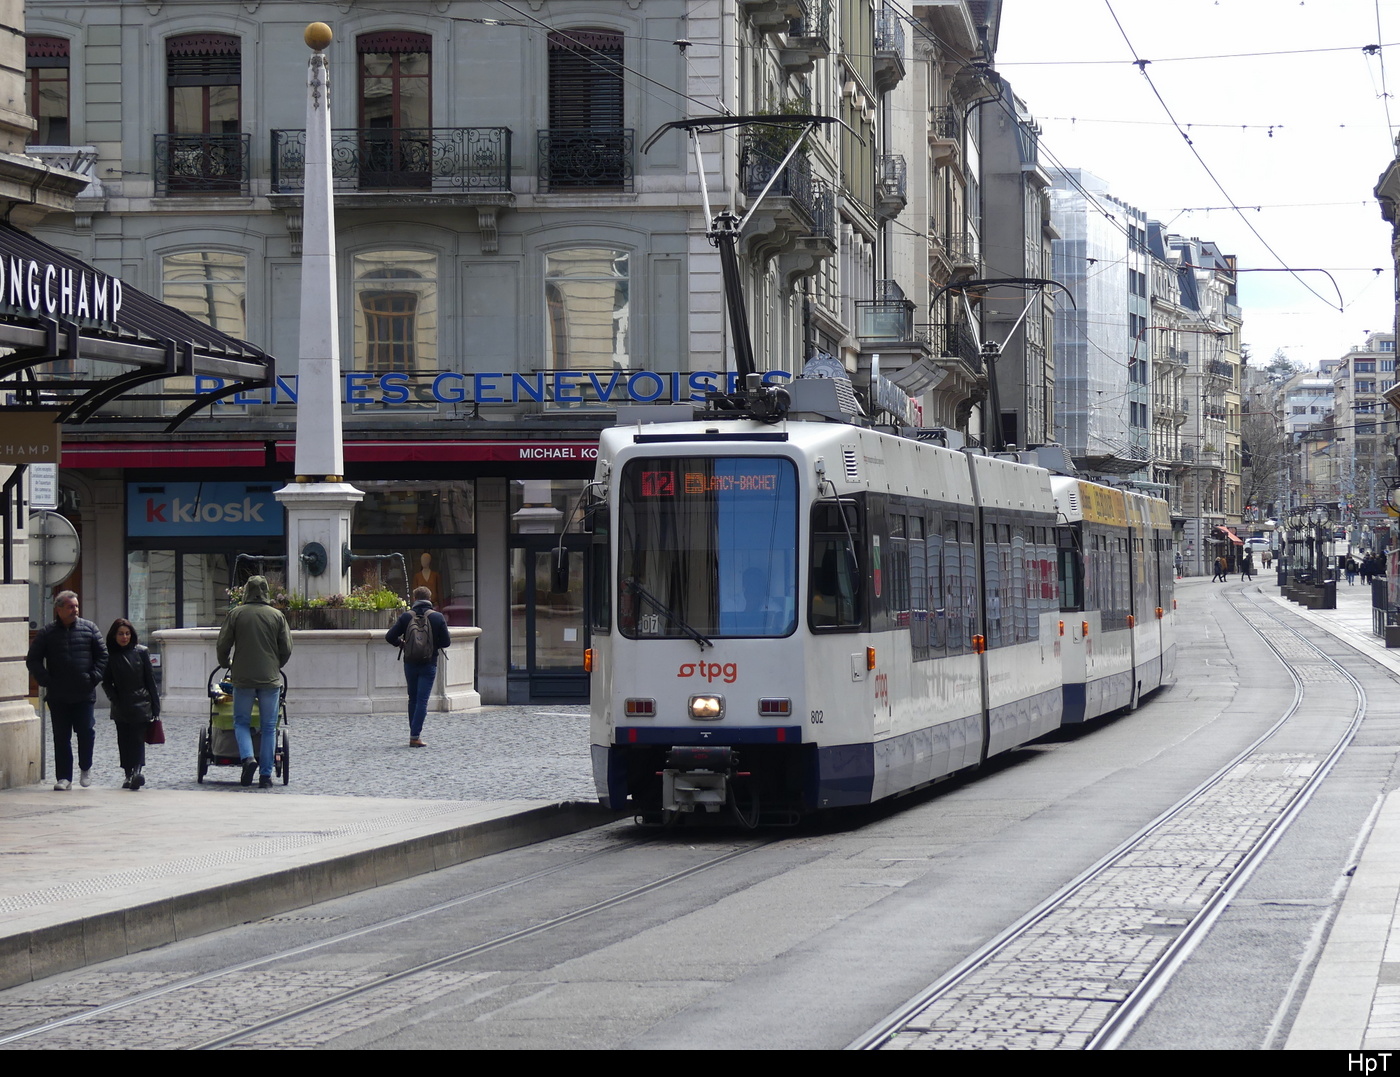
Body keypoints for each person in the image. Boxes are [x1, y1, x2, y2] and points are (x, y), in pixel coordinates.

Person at [215, 576, 292, 788]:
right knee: (268, 726)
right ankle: (266, 776)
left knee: (241, 722)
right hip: (270, 678)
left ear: (246, 591)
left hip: (243, 676)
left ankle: (248, 758)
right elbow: (286, 647)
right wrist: (277, 665)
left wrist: (225, 663)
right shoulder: (277, 616)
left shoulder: (236, 614)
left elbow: (223, 644)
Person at [27, 591, 107, 791]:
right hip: (58, 695)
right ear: (59, 609)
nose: (75, 610)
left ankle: (85, 768)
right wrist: (46, 680)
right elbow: (33, 659)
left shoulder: (90, 629)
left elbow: (103, 656)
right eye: (71, 607)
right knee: (61, 737)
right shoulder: (47, 633)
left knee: (86, 732)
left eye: (77, 606)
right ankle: (64, 777)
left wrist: (93, 677)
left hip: (84, 694)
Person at [386, 586, 451, 747]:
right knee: (422, 700)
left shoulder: (406, 617)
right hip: (429, 663)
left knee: (412, 699)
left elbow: (389, 636)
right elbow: (446, 642)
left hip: (410, 662)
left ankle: (413, 733)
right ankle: (415, 736)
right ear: (430, 598)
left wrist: (402, 644)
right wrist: (432, 644)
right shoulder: (437, 617)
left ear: (414, 599)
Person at [101, 617, 159, 790]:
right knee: (124, 740)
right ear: (114, 636)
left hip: (141, 703)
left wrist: (155, 706)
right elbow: (106, 682)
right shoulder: (109, 656)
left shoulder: (141, 652)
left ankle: (137, 771)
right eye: (120, 634)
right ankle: (128, 773)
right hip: (121, 703)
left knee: (137, 739)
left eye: (127, 633)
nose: (124, 637)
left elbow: (150, 681)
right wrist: (115, 699)